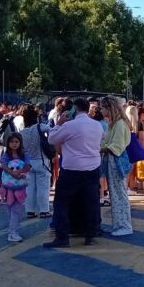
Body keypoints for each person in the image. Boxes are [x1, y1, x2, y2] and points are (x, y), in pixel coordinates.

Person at [44, 98, 102, 249]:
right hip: (92, 167)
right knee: (91, 202)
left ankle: (62, 237)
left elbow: (52, 139)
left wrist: (59, 123)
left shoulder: (70, 125)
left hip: (72, 168)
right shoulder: (97, 125)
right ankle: (90, 234)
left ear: (74, 109)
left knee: (62, 203)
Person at [98, 96, 133, 236]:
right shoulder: (115, 124)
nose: (101, 110)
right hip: (112, 160)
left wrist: (100, 149)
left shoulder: (118, 124)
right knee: (116, 193)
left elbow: (116, 146)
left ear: (109, 108)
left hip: (116, 161)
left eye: (102, 108)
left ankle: (124, 225)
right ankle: (119, 224)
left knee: (119, 193)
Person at [18, 104, 52, 219]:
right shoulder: (40, 127)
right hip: (41, 160)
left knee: (29, 188)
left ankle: (30, 210)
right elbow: (52, 131)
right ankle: (44, 210)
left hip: (28, 162)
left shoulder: (22, 132)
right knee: (43, 187)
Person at [0, 133, 32, 242]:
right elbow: (4, 165)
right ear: (8, 143)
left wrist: (19, 172)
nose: (14, 144)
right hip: (8, 188)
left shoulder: (24, 154)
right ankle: (12, 232)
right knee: (11, 209)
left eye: (16, 142)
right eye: (12, 142)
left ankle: (13, 232)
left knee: (16, 209)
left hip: (20, 187)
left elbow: (28, 166)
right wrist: (12, 172)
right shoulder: (6, 154)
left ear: (20, 143)